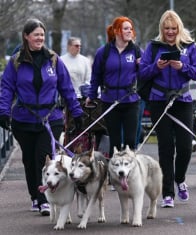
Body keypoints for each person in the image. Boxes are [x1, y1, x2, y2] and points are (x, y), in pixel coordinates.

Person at [0, 18, 83, 215]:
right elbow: (6, 88)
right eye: (36, 34)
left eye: (42, 35)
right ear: (26, 36)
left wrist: (77, 111)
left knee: (42, 158)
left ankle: (43, 199)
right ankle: (34, 196)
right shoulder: (16, 62)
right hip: (24, 118)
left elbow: (67, 88)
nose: (40, 38)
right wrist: (3, 111)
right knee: (29, 160)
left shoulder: (53, 59)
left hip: (50, 118)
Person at [139, 10, 196, 208]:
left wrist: (182, 67)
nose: (170, 32)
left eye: (173, 29)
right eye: (167, 28)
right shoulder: (153, 46)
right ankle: (167, 193)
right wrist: (156, 67)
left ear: (179, 29)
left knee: (185, 146)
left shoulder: (189, 46)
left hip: (182, 99)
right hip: (159, 100)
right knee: (166, 147)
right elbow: (142, 73)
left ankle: (180, 179)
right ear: (162, 29)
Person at [85, 16, 141, 159]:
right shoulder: (103, 52)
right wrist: (91, 95)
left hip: (131, 100)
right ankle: (113, 175)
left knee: (130, 141)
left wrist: (144, 66)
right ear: (117, 31)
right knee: (114, 142)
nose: (130, 31)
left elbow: (145, 74)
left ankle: (131, 174)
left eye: (131, 28)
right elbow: (95, 76)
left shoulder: (136, 51)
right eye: (126, 28)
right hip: (110, 100)